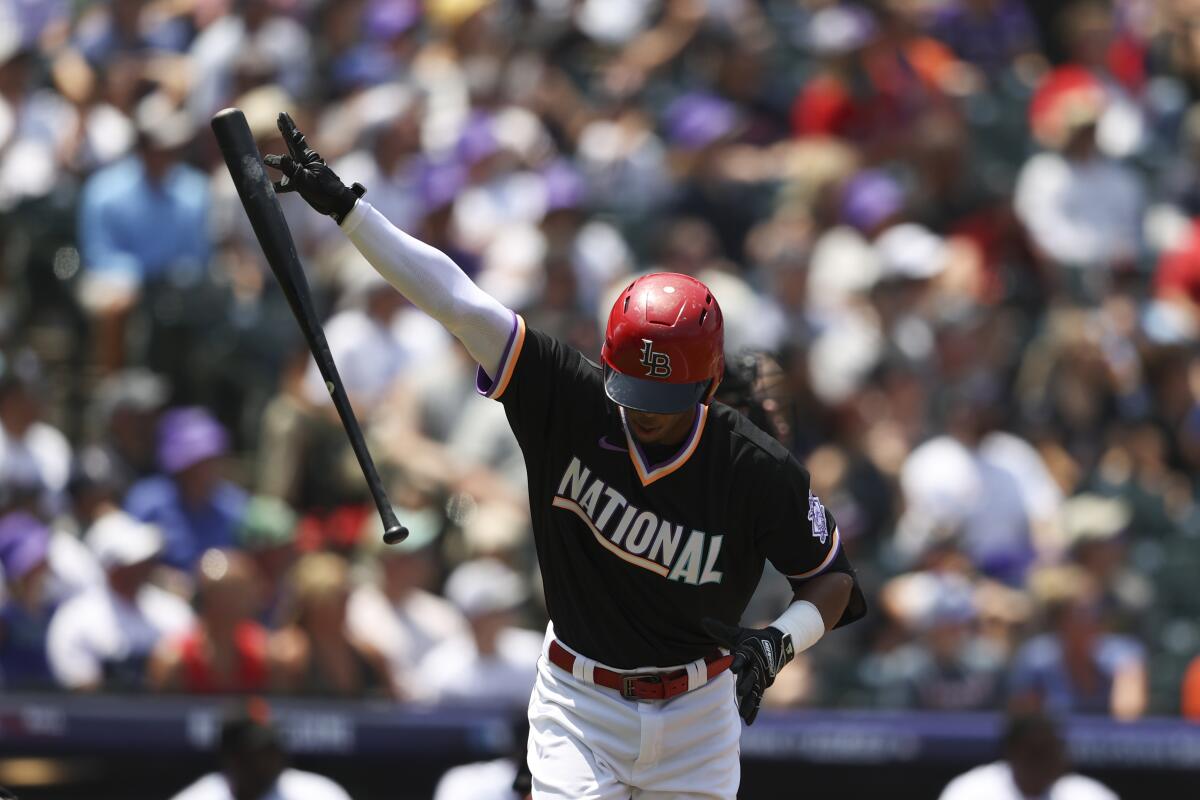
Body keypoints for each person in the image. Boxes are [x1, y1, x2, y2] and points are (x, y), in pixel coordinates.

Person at [265, 114, 865, 798]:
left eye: (661, 396)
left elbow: (833, 580)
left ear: (704, 384)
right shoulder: (571, 398)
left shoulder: (754, 465)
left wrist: (782, 638)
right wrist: (350, 211)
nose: (639, 408)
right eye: (630, 386)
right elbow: (459, 303)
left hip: (700, 713)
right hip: (581, 701)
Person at [46, 511, 193, 691]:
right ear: (110, 568)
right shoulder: (75, 618)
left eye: (145, 560)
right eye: (131, 564)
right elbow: (80, 690)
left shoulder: (174, 611)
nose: (142, 567)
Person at [124, 407, 248, 571]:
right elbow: (126, 563)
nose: (204, 471)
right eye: (195, 463)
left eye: (210, 461)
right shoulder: (146, 502)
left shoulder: (234, 507)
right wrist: (160, 578)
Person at [412, 558, 542, 707]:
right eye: (495, 610)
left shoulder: (534, 653)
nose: (507, 614)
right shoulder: (439, 669)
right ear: (476, 618)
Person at [149, 549, 273, 694]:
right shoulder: (174, 661)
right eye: (233, 593)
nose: (248, 601)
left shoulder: (267, 655)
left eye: (244, 592)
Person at [168, 702, 351, 800]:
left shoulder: (318, 794)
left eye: (273, 748)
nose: (272, 759)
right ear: (231, 757)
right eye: (259, 752)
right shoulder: (200, 796)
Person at [938, 712, 1117, 800]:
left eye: (1052, 752)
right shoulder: (970, 792)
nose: (1045, 762)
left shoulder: (1089, 795)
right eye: (1037, 753)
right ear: (1012, 753)